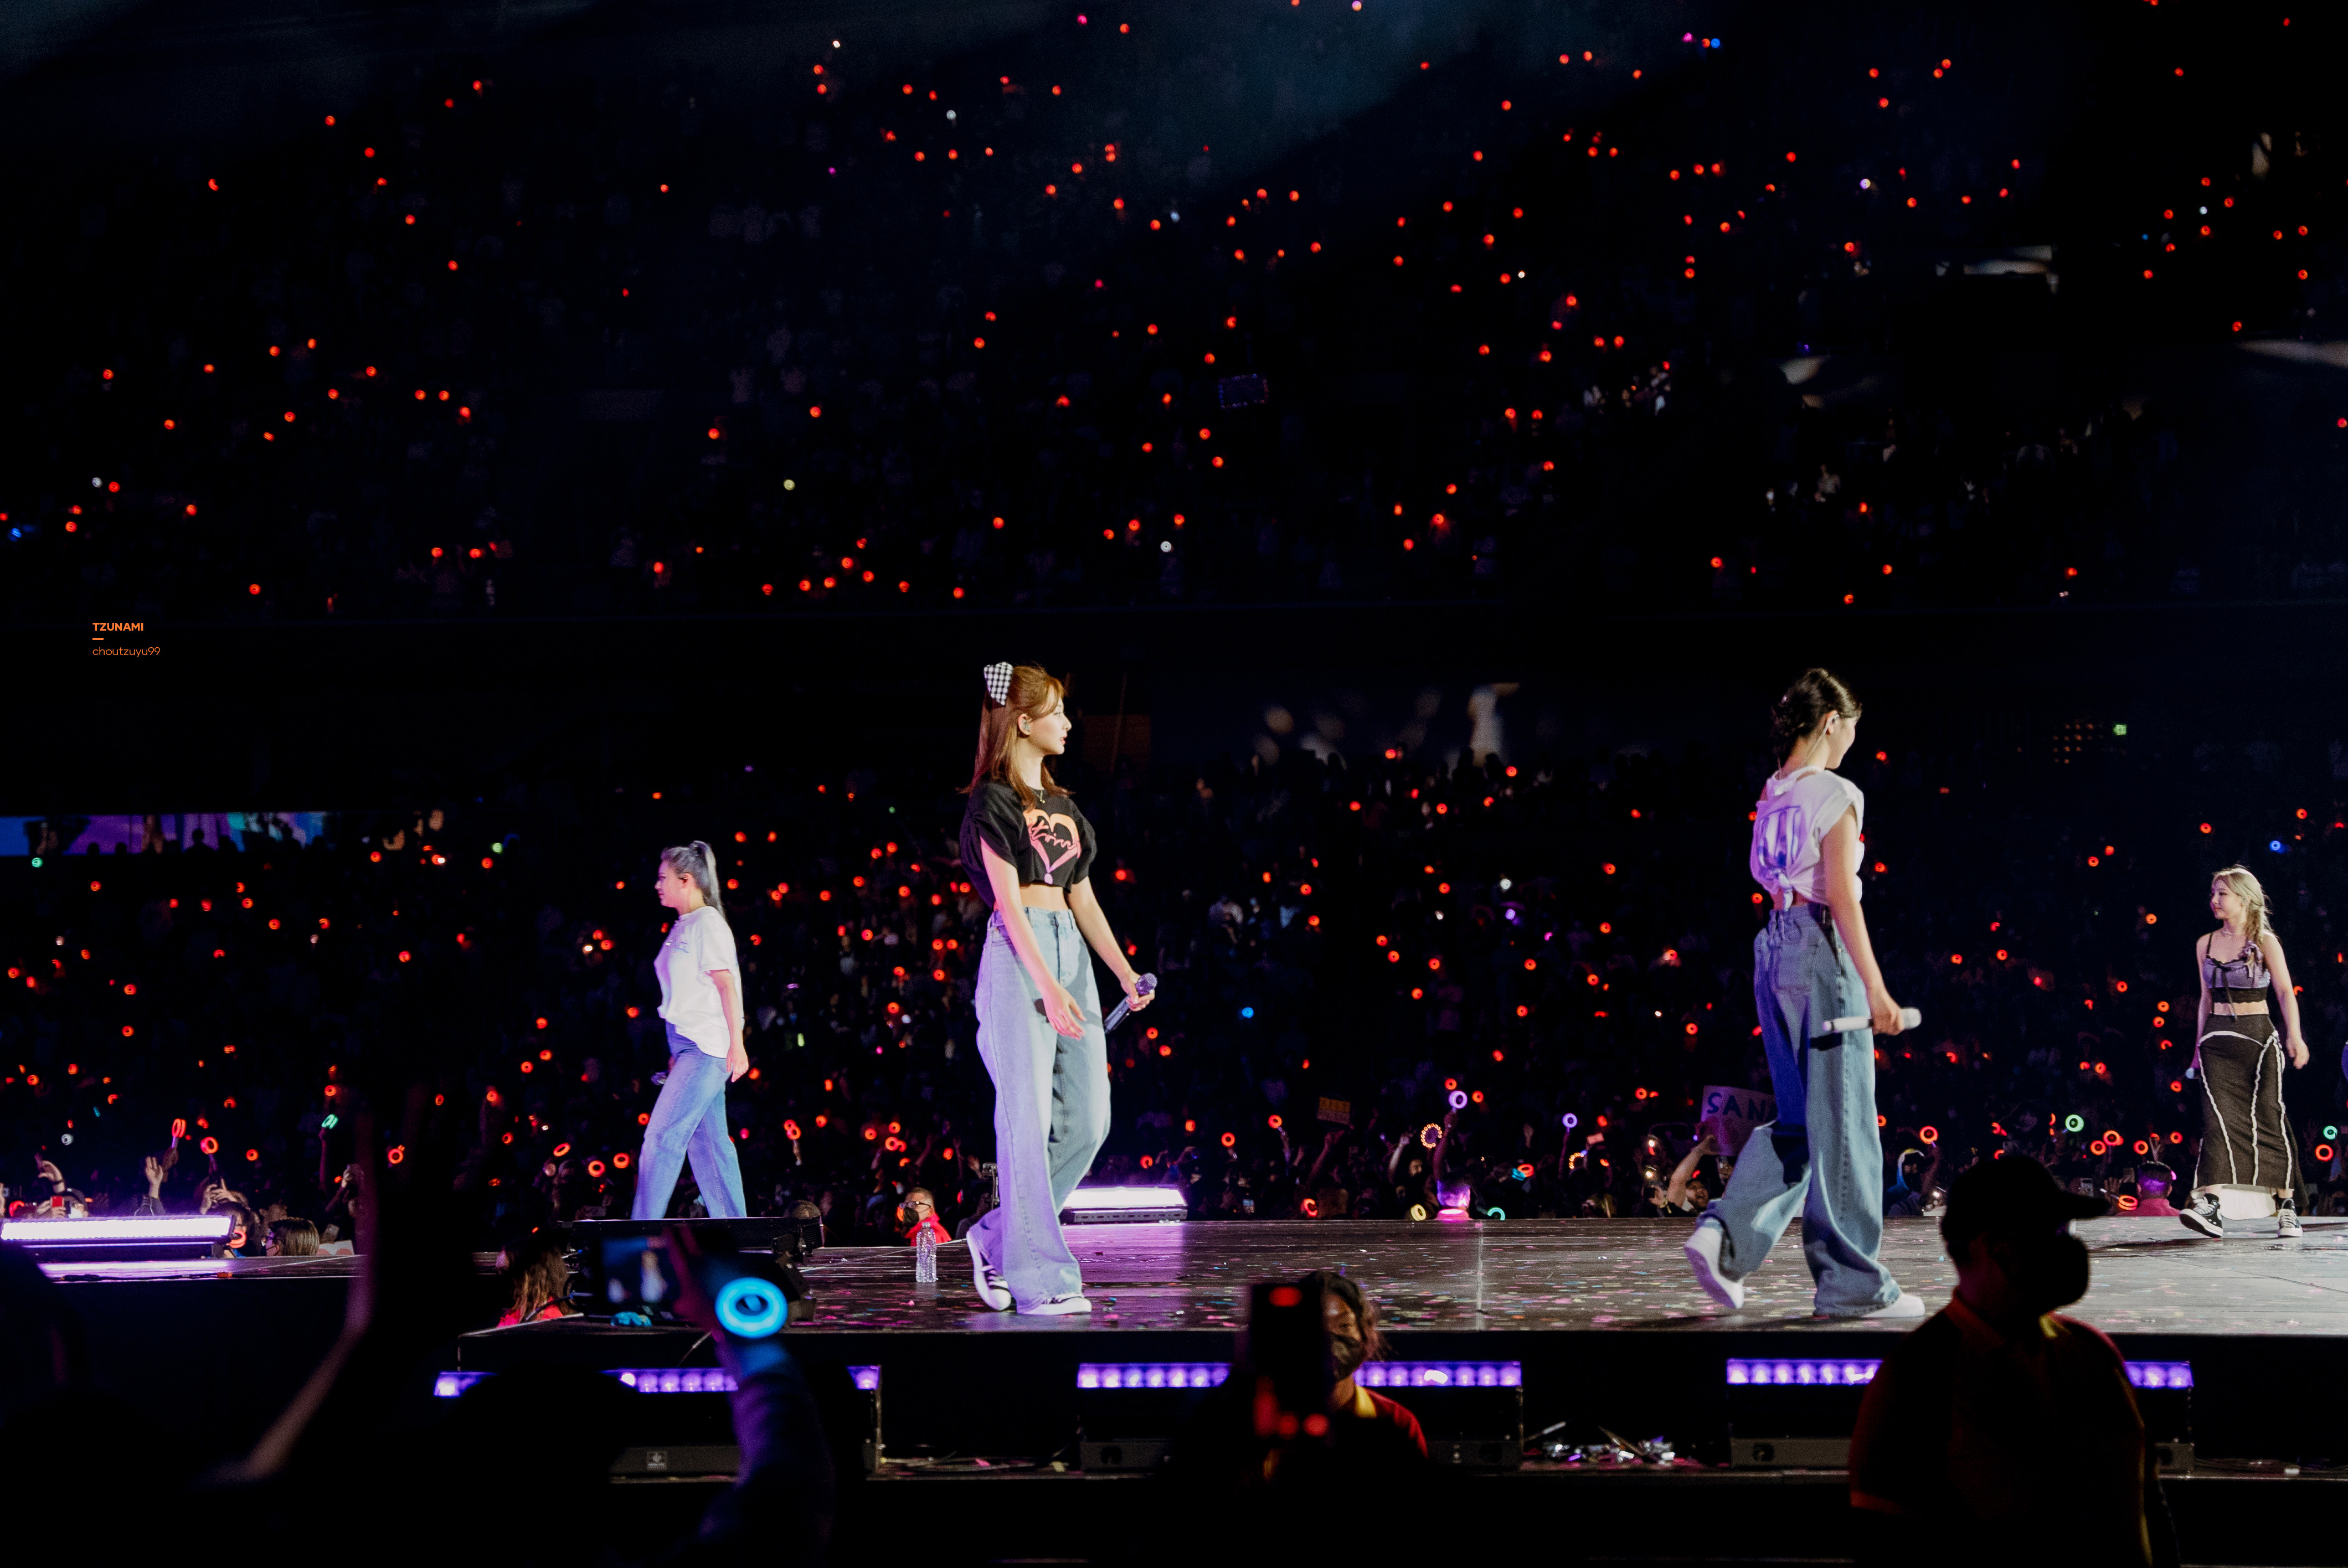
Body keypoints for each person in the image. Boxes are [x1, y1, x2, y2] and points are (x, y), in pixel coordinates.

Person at [1686, 668, 1922, 1318]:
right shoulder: (1834, 792)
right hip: (1819, 950)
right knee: (1844, 1125)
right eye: (1850, 729)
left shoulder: (1773, 794)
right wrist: (1876, 989)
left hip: (1773, 950)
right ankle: (1852, 1287)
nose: (1851, 742)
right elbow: (1842, 895)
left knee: (1799, 1120)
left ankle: (1725, 1235)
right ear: (1829, 723)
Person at [1847, 1156, 2179, 1567]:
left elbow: (2150, 1511)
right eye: (2052, 1232)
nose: (2068, 1249)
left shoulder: (2093, 1353)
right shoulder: (1917, 1381)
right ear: (1993, 1247)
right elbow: (1885, 1551)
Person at [957, 661, 1151, 1315]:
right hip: (1020, 956)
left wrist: (1121, 971)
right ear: (1023, 722)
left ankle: (996, 1236)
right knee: (1027, 1118)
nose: (1068, 723)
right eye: (1058, 712)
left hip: (1070, 952)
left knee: (1090, 1120)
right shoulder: (992, 801)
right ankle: (1039, 1278)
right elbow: (1009, 906)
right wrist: (1046, 980)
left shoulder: (1066, 807)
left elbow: (1083, 899)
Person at [2182, 865, 2309, 1239]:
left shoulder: (2265, 941)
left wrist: (2295, 1036)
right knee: (2216, 1122)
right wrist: (2196, 1049)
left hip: (2257, 1039)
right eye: (2213, 892)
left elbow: (2284, 992)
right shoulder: (2205, 943)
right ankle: (2211, 1204)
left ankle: (2287, 1205)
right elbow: (2205, 1000)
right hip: (2216, 1041)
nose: (2214, 900)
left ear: (2244, 898)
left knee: (2268, 1118)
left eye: (2222, 893)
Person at [630, 842, 749, 1220]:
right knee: (709, 1145)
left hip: (707, 1047)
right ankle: (737, 1230)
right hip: (688, 1046)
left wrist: (737, 1045)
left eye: (663, 878)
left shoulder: (707, 923)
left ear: (686, 880)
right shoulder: (684, 925)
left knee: (662, 1137)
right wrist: (677, 1051)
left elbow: (726, 985)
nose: (657, 885)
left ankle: (641, 1227)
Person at [495, 1231, 578, 1326]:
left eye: (508, 1273)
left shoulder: (547, 1320)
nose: (507, 1282)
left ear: (528, 1278)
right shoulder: (517, 1313)